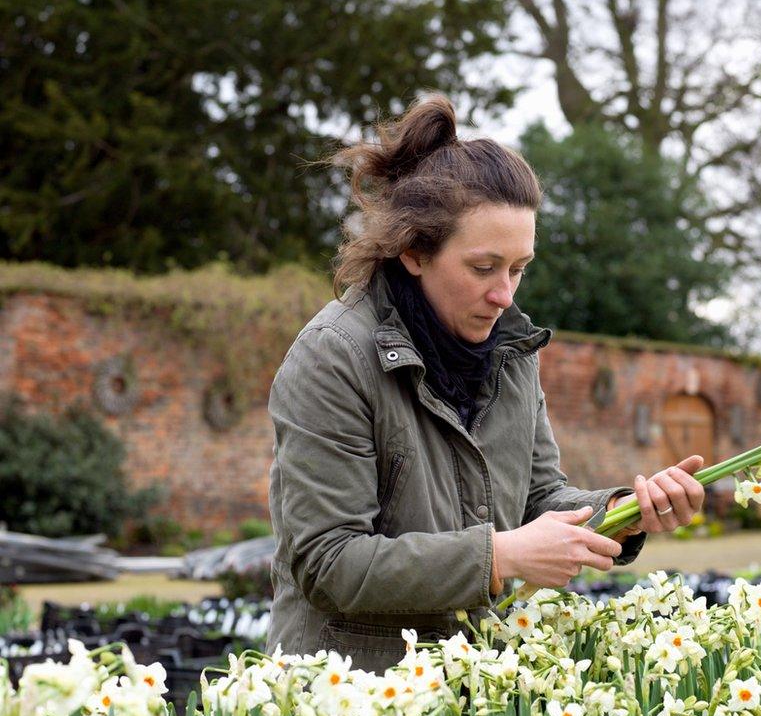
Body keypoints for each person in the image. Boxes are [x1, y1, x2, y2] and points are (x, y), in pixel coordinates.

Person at [266, 94, 705, 671]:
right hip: (351, 699)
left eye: (518, 269)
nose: (504, 294)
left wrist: (625, 513)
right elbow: (329, 562)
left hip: (475, 691)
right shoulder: (334, 358)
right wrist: (498, 556)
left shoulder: (511, 352)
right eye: (483, 268)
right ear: (414, 252)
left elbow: (540, 500)